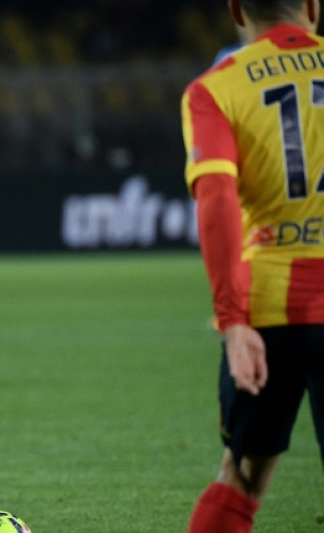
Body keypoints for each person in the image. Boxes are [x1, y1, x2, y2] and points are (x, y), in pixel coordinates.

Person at [180, 1, 324, 532]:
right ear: (313, 6)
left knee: (242, 473)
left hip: (267, 310)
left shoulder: (215, 89)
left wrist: (234, 319)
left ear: (236, 10)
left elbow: (216, 201)